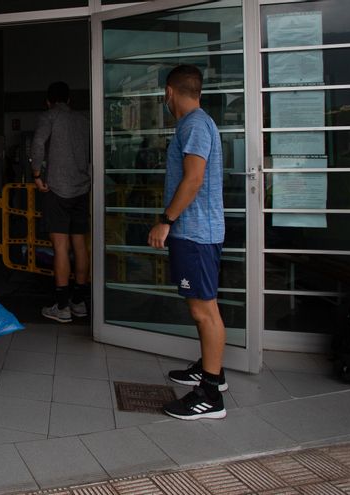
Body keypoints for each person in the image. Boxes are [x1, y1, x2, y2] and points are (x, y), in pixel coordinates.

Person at [148, 64, 228, 420]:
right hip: (196, 232)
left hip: (195, 233)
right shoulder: (196, 123)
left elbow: (194, 180)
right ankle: (211, 371)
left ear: (169, 92)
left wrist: (166, 221)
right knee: (202, 307)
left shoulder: (194, 125)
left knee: (203, 310)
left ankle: (210, 394)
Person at [31, 81, 91, 323]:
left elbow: (37, 144)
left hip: (57, 189)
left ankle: (63, 305)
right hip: (82, 188)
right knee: (80, 245)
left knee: (60, 248)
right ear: (69, 100)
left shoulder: (50, 116)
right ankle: (80, 302)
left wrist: (36, 174)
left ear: (48, 101)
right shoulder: (84, 120)